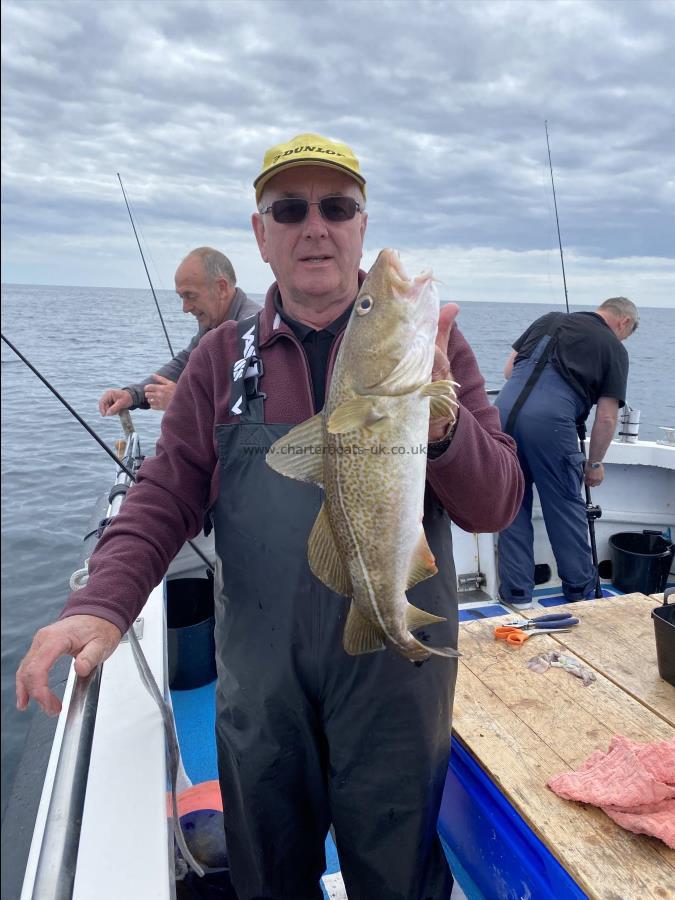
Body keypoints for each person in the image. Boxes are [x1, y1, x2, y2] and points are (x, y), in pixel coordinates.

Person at [16, 133, 523, 900]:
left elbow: (496, 504)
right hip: (261, 681)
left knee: (397, 875)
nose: (313, 225)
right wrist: (102, 604)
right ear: (261, 233)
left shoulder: (435, 350)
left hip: (394, 674)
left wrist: (443, 426)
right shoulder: (219, 361)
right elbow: (164, 494)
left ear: (359, 224)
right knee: (267, 874)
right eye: (289, 208)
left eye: (336, 206)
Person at [495, 297, 639, 608]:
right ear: (623, 322)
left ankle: (517, 596)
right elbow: (606, 417)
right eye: (625, 335)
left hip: (501, 416)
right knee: (565, 508)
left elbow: (509, 371)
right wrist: (595, 462)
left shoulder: (547, 319)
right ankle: (579, 594)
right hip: (551, 425)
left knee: (512, 506)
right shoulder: (614, 348)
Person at [98, 247, 259, 415]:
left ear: (221, 288)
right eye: (182, 297)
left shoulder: (252, 329)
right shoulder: (213, 322)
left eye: (190, 296)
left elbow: (249, 407)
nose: (185, 308)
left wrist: (183, 400)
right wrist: (132, 395)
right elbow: (185, 363)